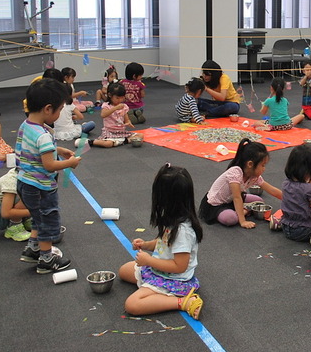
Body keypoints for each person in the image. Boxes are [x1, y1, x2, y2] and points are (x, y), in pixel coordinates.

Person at [119, 164, 204, 319]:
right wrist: (145, 245)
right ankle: (155, 293)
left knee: (132, 305)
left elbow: (179, 266)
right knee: (123, 271)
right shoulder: (173, 218)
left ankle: (183, 302)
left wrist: (149, 261)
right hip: (159, 270)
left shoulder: (183, 231)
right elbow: (162, 243)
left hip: (174, 279)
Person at [17, 78, 80, 273]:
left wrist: (58, 149)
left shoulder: (26, 126)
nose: (60, 113)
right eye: (59, 109)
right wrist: (70, 163)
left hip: (24, 183)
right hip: (40, 187)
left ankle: (33, 248)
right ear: (47, 109)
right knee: (47, 221)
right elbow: (50, 165)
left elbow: (33, 150)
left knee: (37, 217)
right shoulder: (43, 135)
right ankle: (46, 258)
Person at [198, 138, 281, 228]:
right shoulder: (235, 173)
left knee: (259, 201)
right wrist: (243, 221)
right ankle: (244, 210)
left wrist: (289, 199)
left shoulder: (254, 176)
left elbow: (272, 190)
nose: (264, 169)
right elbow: (237, 197)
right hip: (217, 204)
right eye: (263, 165)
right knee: (230, 219)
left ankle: (243, 209)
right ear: (250, 164)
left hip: (232, 199)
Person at [0, 167, 32, 242]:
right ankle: (14, 226)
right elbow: (6, 213)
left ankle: (25, 220)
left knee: (35, 191)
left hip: (4, 210)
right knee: (28, 194)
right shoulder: (11, 181)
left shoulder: (25, 174)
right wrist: (35, 212)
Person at [83, 82, 134, 148]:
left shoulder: (124, 106)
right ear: (110, 95)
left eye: (122, 98)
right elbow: (103, 115)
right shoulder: (106, 105)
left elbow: (126, 119)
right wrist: (115, 108)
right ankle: (90, 142)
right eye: (117, 98)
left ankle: (118, 142)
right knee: (108, 144)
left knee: (140, 136)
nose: (120, 100)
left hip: (121, 132)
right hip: (109, 132)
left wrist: (128, 122)